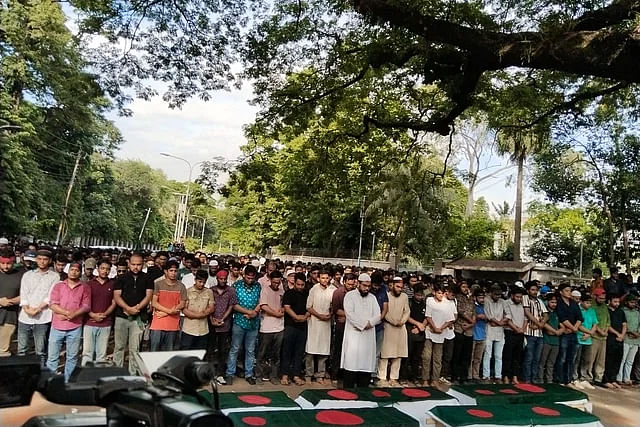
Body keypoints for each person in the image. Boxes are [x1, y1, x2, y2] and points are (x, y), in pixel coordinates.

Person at [47, 262, 91, 381]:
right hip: (57, 326)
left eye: (77, 270)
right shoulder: (59, 286)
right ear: (68, 270)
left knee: (72, 357)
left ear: (80, 272)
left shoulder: (85, 287)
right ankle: (51, 381)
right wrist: (67, 313)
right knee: (52, 357)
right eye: (72, 269)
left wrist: (73, 315)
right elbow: (52, 304)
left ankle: (67, 382)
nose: (74, 272)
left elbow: (86, 306)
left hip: (75, 327)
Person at [113, 253, 154, 375]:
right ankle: (116, 372)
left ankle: (132, 375)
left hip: (138, 318)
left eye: (139, 264)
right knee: (119, 346)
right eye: (133, 264)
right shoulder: (121, 278)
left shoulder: (147, 278)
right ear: (129, 264)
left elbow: (148, 296)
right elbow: (117, 296)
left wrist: (137, 308)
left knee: (134, 349)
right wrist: (127, 308)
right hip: (121, 316)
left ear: (143, 264)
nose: (136, 267)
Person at [18, 248, 58, 364]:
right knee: (22, 349)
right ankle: (22, 374)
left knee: (40, 350)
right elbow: (23, 293)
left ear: (50, 261)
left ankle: (39, 375)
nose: (42, 262)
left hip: (43, 317)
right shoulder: (27, 275)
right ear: (36, 260)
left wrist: (39, 309)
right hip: (25, 317)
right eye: (39, 259)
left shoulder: (54, 277)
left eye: (45, 259)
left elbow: (50, 296)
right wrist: (26, 309)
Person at [341, 273, 381, 388]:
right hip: (353, 335)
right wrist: (364, 325)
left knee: (365, 365)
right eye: (364, 285)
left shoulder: (372, 298)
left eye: (368, 286)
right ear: (358, 283)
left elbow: (378, 315)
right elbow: (349, 314)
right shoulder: (350, 296)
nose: (367, 288)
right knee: (351, 364)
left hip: (368, 337)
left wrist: (370, 323)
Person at [225, 265, 261, 385]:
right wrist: (248, 312)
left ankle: (249, 374)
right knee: (235, 348)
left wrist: (254, 312)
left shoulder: (258, 286)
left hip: (253, 323)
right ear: (243, 275)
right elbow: (233, 304)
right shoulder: (236, 285)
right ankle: (230, 373)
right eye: (248, 277)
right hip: (239, 321)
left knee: (250, 350)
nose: (250, 280)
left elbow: (261, 301)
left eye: (252, 278)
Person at [305, 269, 336, 385]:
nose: (324, 280)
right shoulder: (314, 289)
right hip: (314, 323)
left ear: (330, 278)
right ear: (318, 278)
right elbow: (308, 307)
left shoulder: (333, 290)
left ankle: (320, 375)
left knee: (323, 351)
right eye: (322, 278)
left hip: (326, 324)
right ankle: (309, 374)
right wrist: (319, 315)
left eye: (327, 278)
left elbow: (335, 306)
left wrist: (330, 314)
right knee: (310, 351)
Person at [82, 260, 116, 366]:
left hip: (105, 323)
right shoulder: (89, 284)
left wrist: (104, 315)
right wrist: (92, 314)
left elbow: (114, 302)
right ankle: (85, 376)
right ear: (97, 269)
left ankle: (98, 377)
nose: (105, 271)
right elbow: (84, 302)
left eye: (107, 269)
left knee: (101, 354)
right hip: (89, 322)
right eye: (102, 268)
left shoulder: (113, 284)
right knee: (87, 352)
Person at [378, 277, 410, 386]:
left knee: (398, 355)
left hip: (401, 328)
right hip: (388, 327)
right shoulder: (386, 296)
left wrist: (402, 321)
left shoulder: (405, 297)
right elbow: (384, 311)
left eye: (401, 287)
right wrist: (393, 321)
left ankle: (393, 378)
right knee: (385, 354)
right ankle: (382, 378)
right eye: (397, 287)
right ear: (392, 285)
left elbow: (407, 311)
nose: (400, 289)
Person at [423, 283, 457, 386]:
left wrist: (441, 328)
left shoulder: (447, 303)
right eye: (438, 293)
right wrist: (434, 327)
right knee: (427, 357)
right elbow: (428, 316)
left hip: (441, 333)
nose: (440, 295)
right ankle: (425, 379)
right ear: (434, 292)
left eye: (442, 293)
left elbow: (451, 319)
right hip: (430, 331)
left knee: (438, 358)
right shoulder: (430, 301)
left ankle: (435, 379)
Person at [149, 260, 187, 351]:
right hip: (157, 322)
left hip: (173, 324)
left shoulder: (181, 286)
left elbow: (182, 303)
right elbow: (154, 303)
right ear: (165, 271)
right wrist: (169, 311)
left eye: (175, 271)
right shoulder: (158, 284)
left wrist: (166, 313)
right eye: (171, 270)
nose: (173, 273)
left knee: (168, 351)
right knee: (154, 349)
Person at [256, 270, 285, 385]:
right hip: (267, 327)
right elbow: (263, 306)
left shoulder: (282, 291)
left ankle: (273, 375)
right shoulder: (265, 290)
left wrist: (282, 310)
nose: (276, 285)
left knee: (276, 354)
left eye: (278, 282)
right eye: (274, 282)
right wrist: (275, 313)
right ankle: (259, 375)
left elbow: (284, 306)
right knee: (262, 353)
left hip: (279, 327)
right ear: (270, 280)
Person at [281, 272, 310, 386]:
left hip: (302, 326)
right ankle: (284, 375)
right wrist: (296, 317)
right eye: (298, 284)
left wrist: (305, 317)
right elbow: (287, 307)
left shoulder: (307, 293)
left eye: (302, 285)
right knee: (287, 351)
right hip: (290, 326)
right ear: (294, 283)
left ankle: (296, 375)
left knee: (299, 352)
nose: (300, 287)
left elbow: (310, 307)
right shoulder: (289, 293)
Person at [209, 269, 236, 384]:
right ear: (217, 279)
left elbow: (231, 306)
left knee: (222, 350)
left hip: (225, 324)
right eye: (221, 279)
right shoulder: (211, 290)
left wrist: (222, 319)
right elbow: (209, 306)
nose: (223, 281)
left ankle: (220, 374)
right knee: (210, 350)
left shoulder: (231, 290)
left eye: (225, 279)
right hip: (211, 324)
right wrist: (212, 319)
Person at [330, 272, 356, 384]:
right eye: (349, 284)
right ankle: (334, 374)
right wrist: (351, 316)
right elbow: (337, 310)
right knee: (338, 350)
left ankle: (346, 374)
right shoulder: (338, 293)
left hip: (352, 326)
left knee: (350, 352)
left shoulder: (356, 293)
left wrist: (349, 317)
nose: (351, 286)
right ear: (344, 282)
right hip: (341, 326)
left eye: (353, 284)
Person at [555, 283, 584, 385]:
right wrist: (573, 328)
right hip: (564, 333)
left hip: (573, 333)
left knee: (572, 358)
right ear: (561, 292)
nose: (569, 292)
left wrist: (575, 328)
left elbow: (580, 317)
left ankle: (568, 379)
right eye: (567, 290)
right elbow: (562, 318)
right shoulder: (559, 303)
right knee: (562, 357)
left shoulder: (573, 303)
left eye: (570, 290)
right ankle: (560, 379)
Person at [181, 270, 214, 350]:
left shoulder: (209, 292)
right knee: (186, 353)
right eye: (200, 281)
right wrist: (198, 315)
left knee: (200, 354)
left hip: (203, 329)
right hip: (189, 329)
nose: (202, 284)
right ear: (195, 280)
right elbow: (184, 309)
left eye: (204, 282)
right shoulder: (187, 291)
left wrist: (202, 314)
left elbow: (211, 308)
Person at [522, 281, 548, 383]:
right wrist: (539, 324)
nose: (534, 292)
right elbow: (527, 313)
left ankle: (534, 378)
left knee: (537, 358)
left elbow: (546, 315)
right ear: (528, 290)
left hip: (539, 333)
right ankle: (527, 379)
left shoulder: (539, 301)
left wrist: (540, 325)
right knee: (529, 358)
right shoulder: (525, 298)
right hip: (529, 333)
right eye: (532, 290)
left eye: (536, 290)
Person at [0, 248, 23, 356]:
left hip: (10, 316)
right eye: (2, 263)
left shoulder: (21, 275)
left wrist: (11, 301)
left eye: (8, 263)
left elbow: (25, 295)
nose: (5, 266)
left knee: (3, 350)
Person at [572, 293, 598, 389]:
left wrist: (590, 334)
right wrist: (589, 333)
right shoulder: (578, 310)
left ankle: (583, 378)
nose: (589, 305)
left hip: (588, 339)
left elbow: (595, 324)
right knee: (576, 360)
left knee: (586, 360)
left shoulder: (592, 311)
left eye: (590, 303)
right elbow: (578, 324)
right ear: (581, 302)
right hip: (579, 338)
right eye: (587, 302)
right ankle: (574, 378)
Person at [501, 285, 526, 384]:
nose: (519, 299)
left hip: (520, 333)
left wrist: (522, 329)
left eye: (520, 297)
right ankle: (506, 376)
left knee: (517, 356)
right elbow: (507, 319)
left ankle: (514, 376)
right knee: (507, 355)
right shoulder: (506, 303)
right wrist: (515, 328)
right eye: (517, 297)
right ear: (512, 295)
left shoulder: (522, 305)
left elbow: (526, 319)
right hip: (510, 332)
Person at [403, 283, 427, 384]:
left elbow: (427, 316)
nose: (420, 297)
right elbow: (407, 316)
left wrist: (421, 326)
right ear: (414, 294)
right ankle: (403, 376)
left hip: (421, 332)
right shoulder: (409, 303)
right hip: (410, 330)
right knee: (407, 355)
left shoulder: (425, 304)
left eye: (421, 295)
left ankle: (414, 376)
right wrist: (417, 324)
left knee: (417, 357)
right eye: (418, 295)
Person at [483, 284, 507, 383]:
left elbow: (508, 314)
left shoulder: (503, 302)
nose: (497, 296)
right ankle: (486, 376)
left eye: (499, 295)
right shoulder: (486, 300)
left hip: (500, 331)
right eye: (496, 294)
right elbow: (488, 315)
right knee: (488, 354)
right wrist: (499, 322)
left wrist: (501, 322)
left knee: (498, 355)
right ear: (491, 293)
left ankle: (498, 376)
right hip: (489, 329)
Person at [451, 281, 474, 383]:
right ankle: (455, 376)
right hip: (459, 328)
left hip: (469, 330)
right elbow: (460, 311)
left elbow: (474, 312)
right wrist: (469, 320)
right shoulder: (457, 298)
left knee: (467, 355)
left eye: (466, 287)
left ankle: (464, 376)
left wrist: (471, 323)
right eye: (463, 287)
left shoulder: (470, 299)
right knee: (457, 354)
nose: (465, 288)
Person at [539, 293, 564, 383]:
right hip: (546, 340)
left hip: (556, 342)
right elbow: (544, 324)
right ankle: (540, 380)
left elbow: (562, 326)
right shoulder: (545, 313)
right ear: (547, 302)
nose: (554, 304)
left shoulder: (556, 313)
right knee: (542, 362)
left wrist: (559, 331)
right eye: (552, 302)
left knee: (551, 363)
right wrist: (555, 331)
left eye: (555, 302)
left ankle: (549, 380)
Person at [602, 295, 626, 389]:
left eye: (618, 302)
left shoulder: (621, 311)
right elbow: (607, 325)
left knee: (618, 359)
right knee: (609, 359)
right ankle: (606, 380)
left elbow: (624, 324)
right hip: (610, 338)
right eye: (615, 301)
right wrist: (617, 334)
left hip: (620, 339)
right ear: (609, 301)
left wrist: (622, 335)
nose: (617, 303)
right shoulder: (606, 311)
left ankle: (613, 379)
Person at [370, 271, 389, 379]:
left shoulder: (383, 290)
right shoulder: (367, 290)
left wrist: (379, 319)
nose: (376, 287)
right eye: (375, 285)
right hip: (368, 326)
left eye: (378, 285)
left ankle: (373, 374)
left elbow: (385, 307)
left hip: (379, 326)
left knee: (377, 352)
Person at [617, 294, 639, 385]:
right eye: (631, 302)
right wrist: (630, 332)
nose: (633, 304)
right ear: (626, 302)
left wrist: (637, 333)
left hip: (636, 340)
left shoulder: (637, 313)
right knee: (623, 359)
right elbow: (623, 324)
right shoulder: (623, 311)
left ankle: (627, 378)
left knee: (630, 361)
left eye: (634, 302)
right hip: (626, 338)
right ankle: (619, 378)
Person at [469, 288, 486, 382]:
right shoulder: (472, 306)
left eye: (483, 297)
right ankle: (469, 376)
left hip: (482, 335)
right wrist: (478, 316)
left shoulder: (485, 306)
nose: (482, 299)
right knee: (470, 357)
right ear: (475, 297)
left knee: (478, 358)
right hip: (473, 334)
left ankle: (475, 375)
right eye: (480, 297)